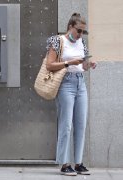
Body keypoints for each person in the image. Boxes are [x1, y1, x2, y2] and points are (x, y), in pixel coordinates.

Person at [46, 13, 97, 176]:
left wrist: (89, 65)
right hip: (65, 83)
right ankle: (64, 163)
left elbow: (82, 66)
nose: (81, 34)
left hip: (80, 82)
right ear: (70, 27)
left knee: (81, 124)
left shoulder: (81, 42)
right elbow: (50, 65)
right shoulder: (57, 40)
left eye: (83, 32)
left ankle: (79, 162)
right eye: (79, 31)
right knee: (66, 124)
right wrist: (69, 62)